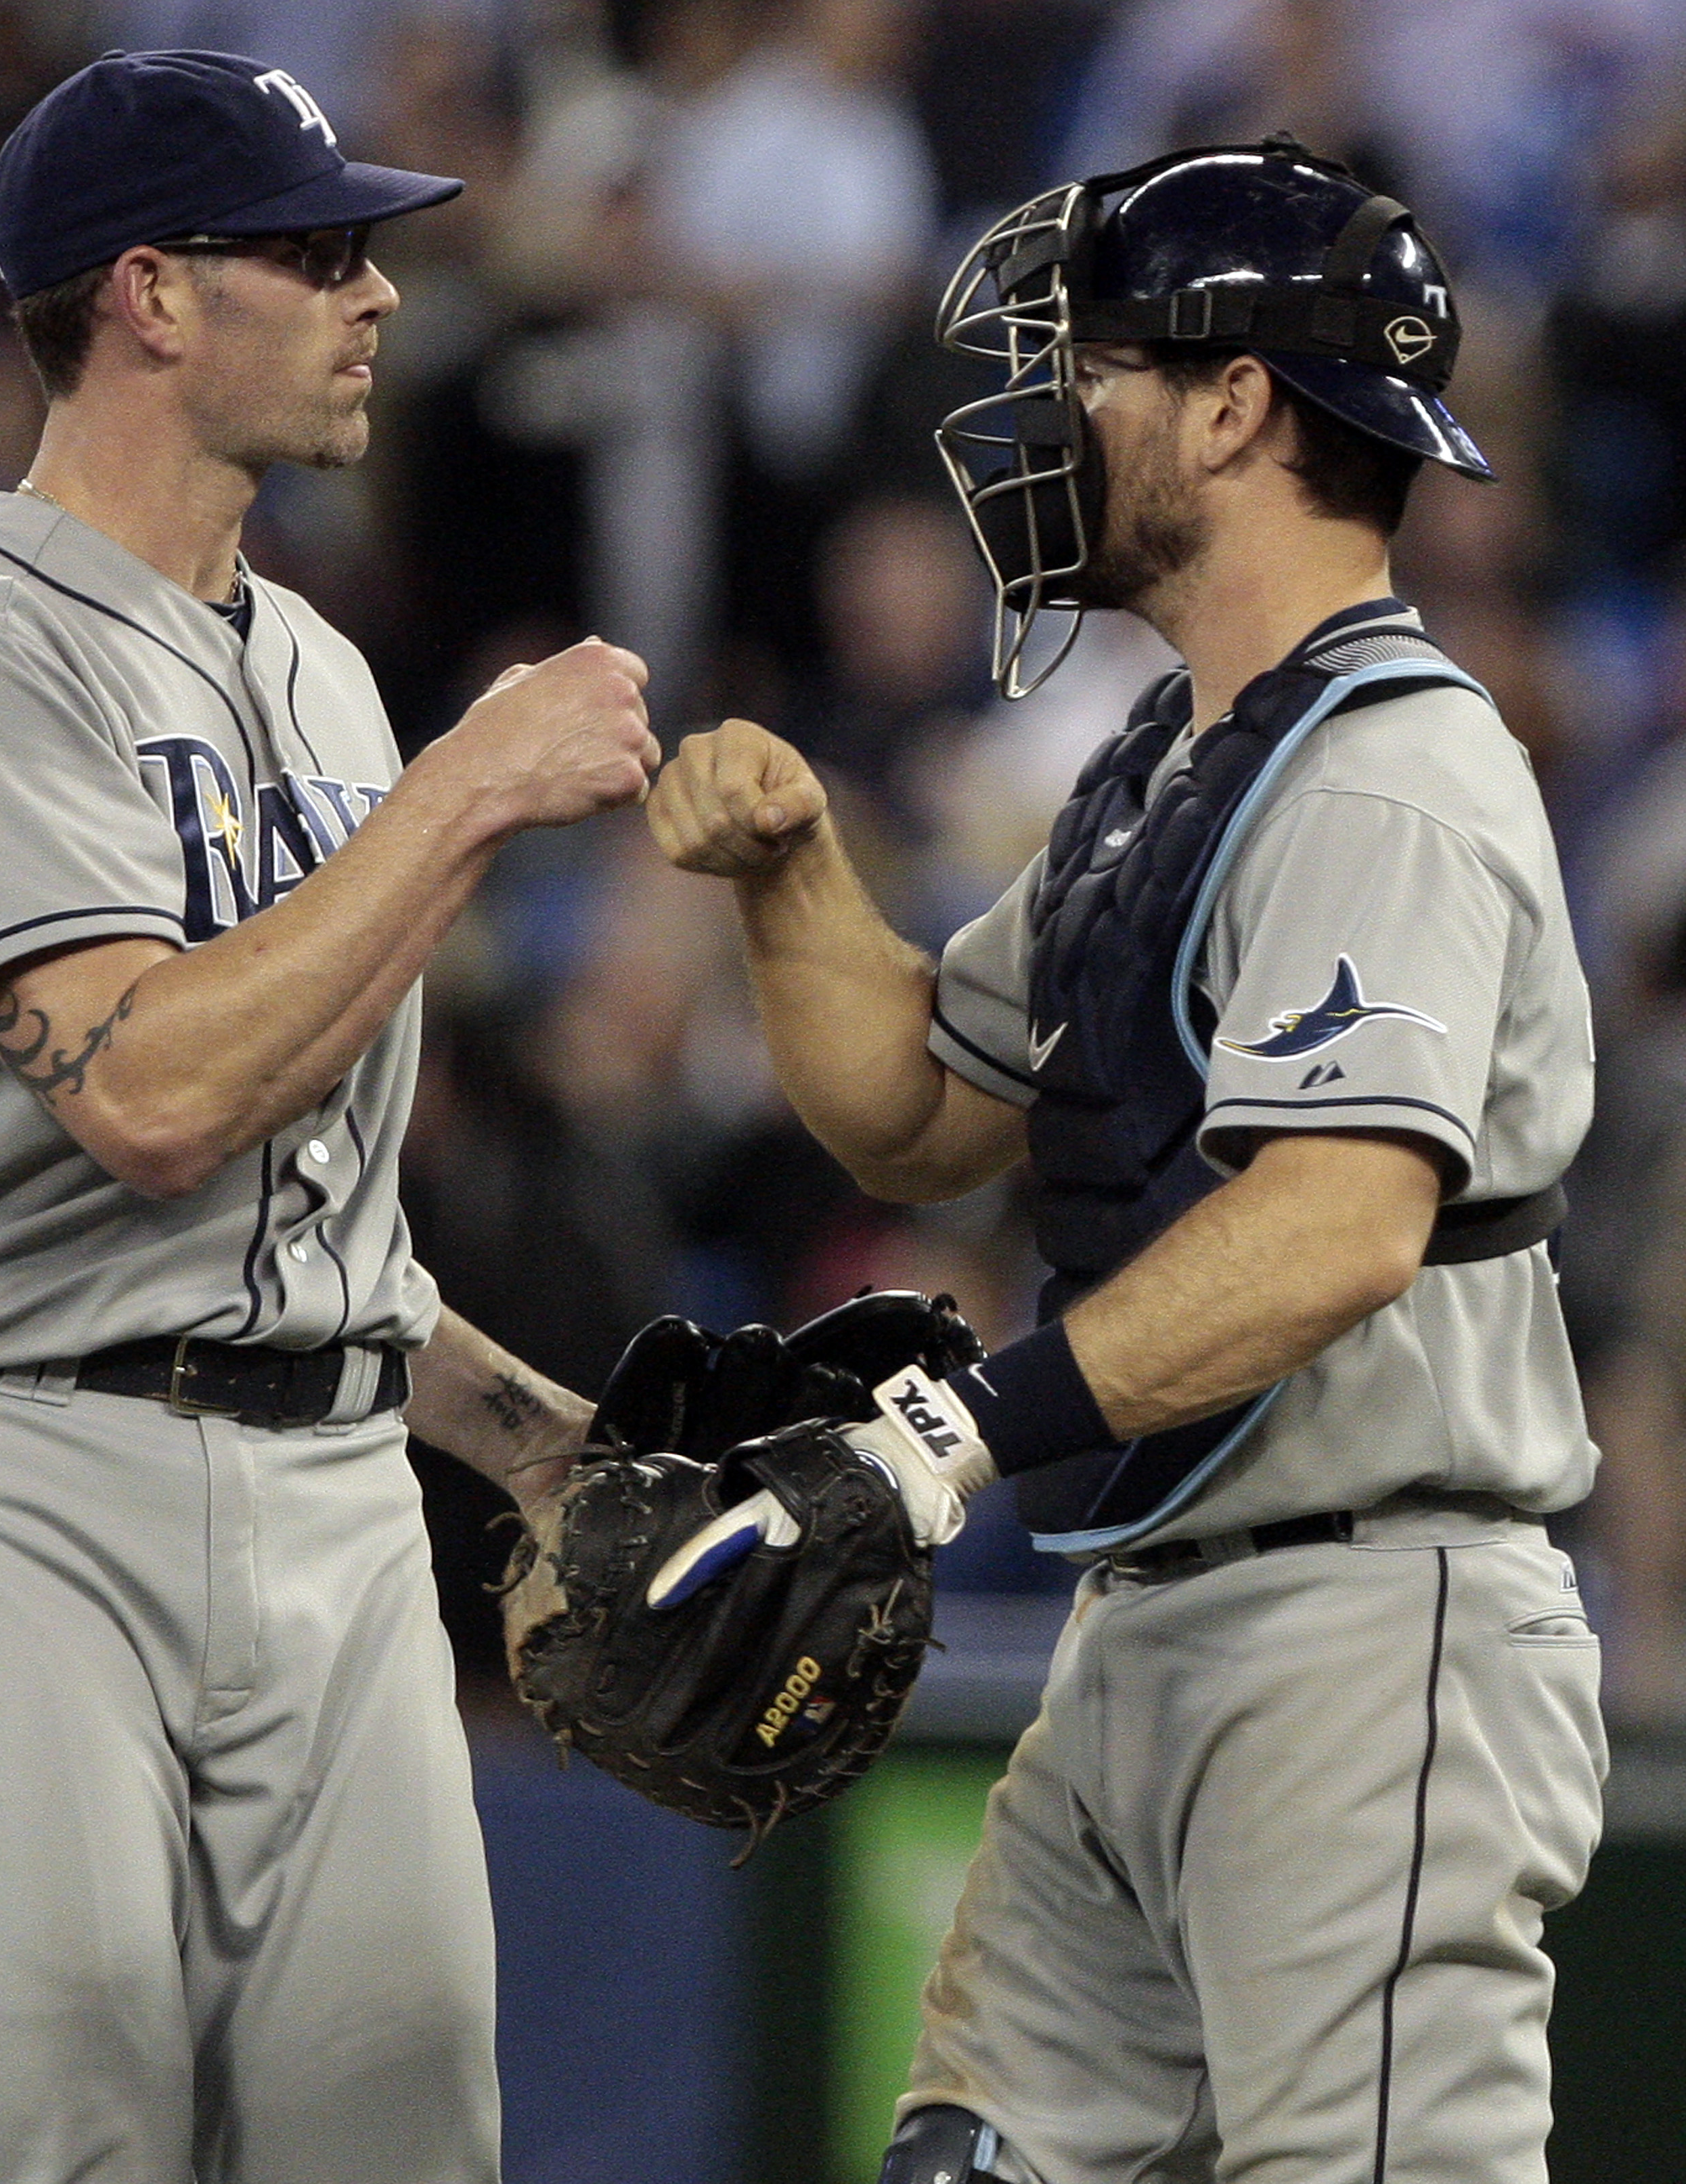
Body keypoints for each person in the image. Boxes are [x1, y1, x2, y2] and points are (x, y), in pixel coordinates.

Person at [648, 140, 1605, 2183]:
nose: (1044, 410)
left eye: (1091, 360)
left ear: (1238, 403)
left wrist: (933, 1445)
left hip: (1369, 1632)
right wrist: (795, 867)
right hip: (1152, 1619)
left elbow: (1340, 1223)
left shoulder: (1397, 769)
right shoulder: (1170, 762)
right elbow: (915, 1104)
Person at [0, 49, 656, 2184]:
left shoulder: (328, 677)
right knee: (65, 2136)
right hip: (0, 1477)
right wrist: (474, 784)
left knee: (403, 2136)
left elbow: (306, 1220)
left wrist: (560, 1449)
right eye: (320, 250)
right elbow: (153, 1095)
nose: (379, 297)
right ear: (152, 294)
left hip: (337, 1487)